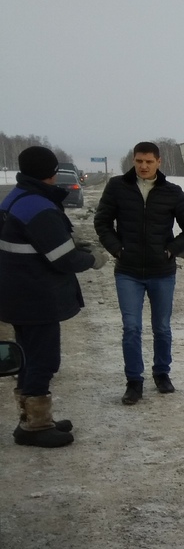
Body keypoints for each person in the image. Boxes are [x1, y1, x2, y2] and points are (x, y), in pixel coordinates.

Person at [0, 145, 102, 447]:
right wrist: (93, 259)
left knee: (29, 357)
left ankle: (32, 419)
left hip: (17, 293)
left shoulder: (16, 198)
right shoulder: (39, 208)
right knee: (42, 359)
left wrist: (70, 243)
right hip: (35, 296)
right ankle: (35, 426)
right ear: (51, 173)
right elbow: (63, 259)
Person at [94, 141, 184, 405]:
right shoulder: (117, 187)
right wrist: (117, 250)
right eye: (139, 161)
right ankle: (134, 382)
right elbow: (102, 222)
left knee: (162, 328)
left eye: (149, 162)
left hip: (161, 272)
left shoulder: (172, 192)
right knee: (131, 328)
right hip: (128, 271)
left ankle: (162, 373)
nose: (143, 166)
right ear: (134, 160)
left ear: (159, 162)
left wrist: (171, 250)